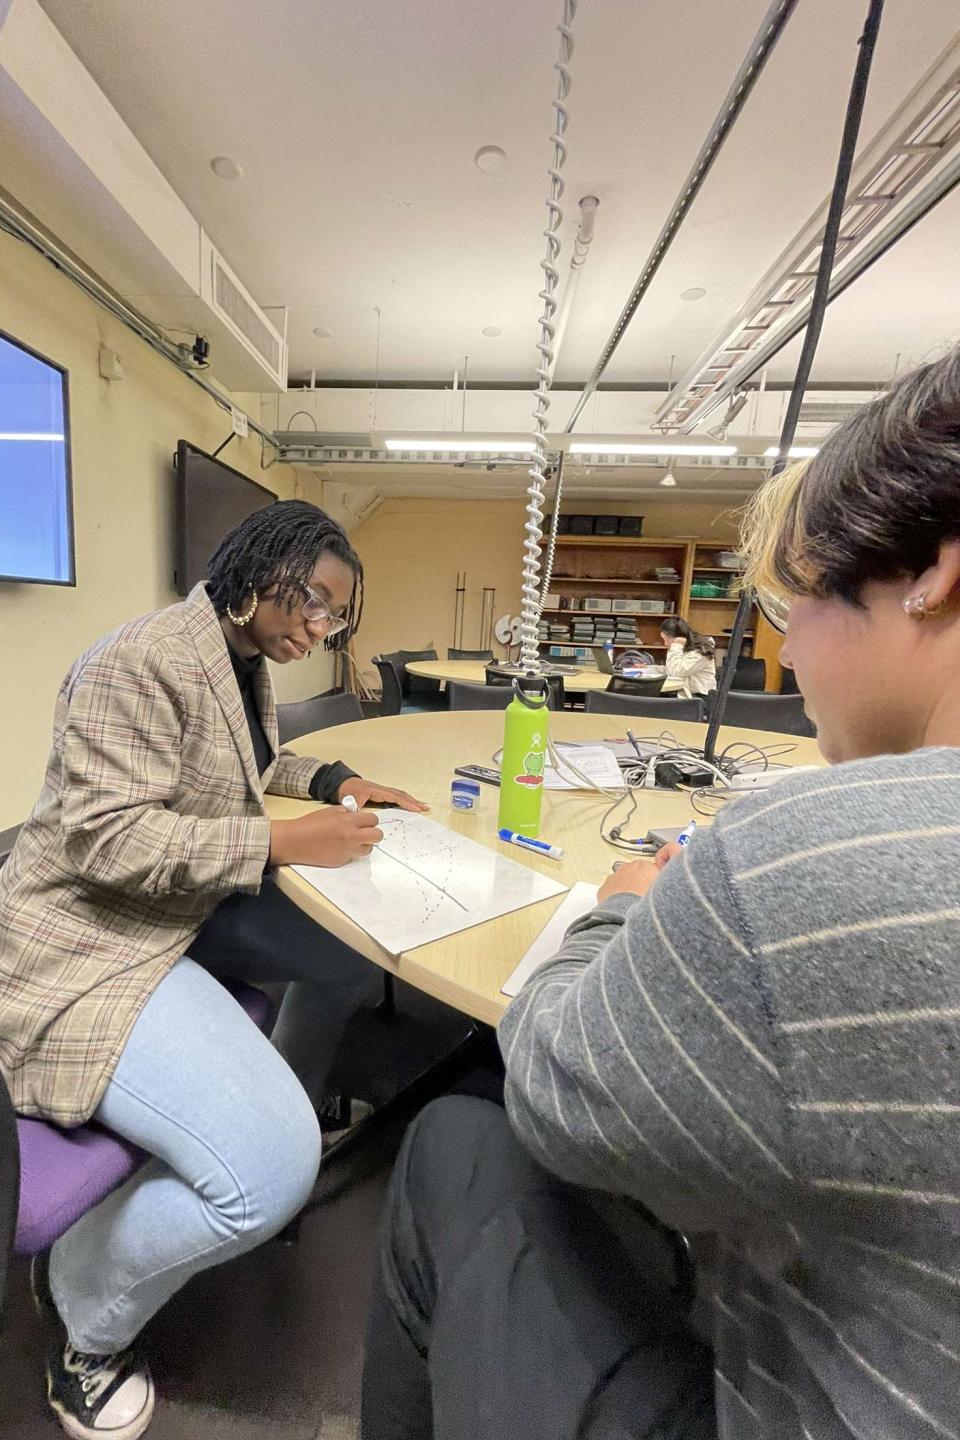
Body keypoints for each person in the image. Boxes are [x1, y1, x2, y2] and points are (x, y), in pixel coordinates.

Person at [361, 348, 960, 1440]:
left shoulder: (801, 857)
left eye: (792, 600)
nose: (778, 643)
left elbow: (552, 1086)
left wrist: (625, 905)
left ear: (934, 574)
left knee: (459, 1140)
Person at [0, 499, 426, 1440]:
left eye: (334, 615)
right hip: (85, 948)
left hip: (173, 917)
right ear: (258, 572)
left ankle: (242, 1117)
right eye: (310, 603)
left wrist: (330, 783)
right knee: (270, 1169)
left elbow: (235, 774)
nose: (317, 627)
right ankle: (84, 1314)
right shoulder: (137, 662)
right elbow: (106, 840)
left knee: (344, 959)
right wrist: (283, 841)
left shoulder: (238, 657)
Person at [660, 615, 717, 699]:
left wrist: (676, 646)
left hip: (699, 697)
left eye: (667, 639)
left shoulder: (701, 651)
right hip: (684, 693)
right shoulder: (683, 648)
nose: (665, 643)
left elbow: (677, 672)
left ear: (679, 638)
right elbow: (670, 669)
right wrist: (649, 668)